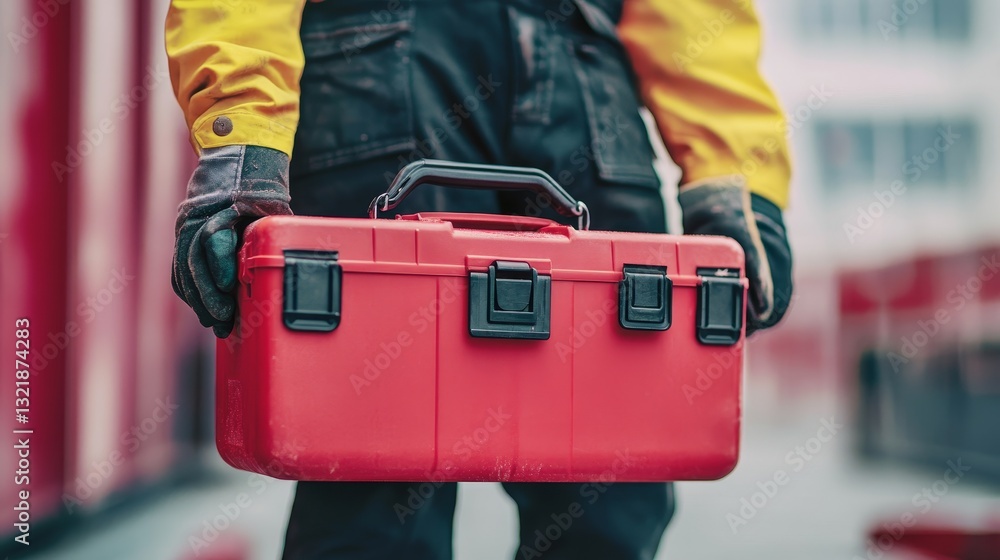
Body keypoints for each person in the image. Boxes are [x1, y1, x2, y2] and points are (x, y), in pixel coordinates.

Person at [166, 0, 793, 558]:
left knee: (605, 489)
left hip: (420, 73)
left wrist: (736, 180)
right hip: (420, 62)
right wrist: (239, 139)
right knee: (386, 486)